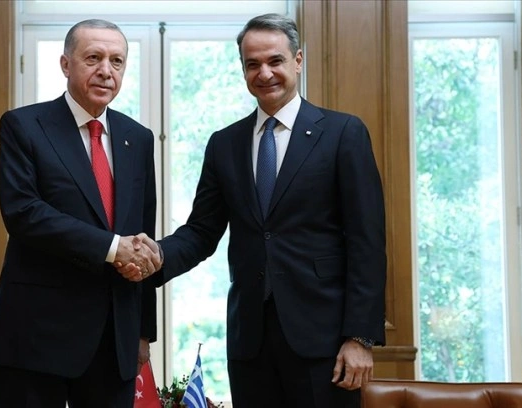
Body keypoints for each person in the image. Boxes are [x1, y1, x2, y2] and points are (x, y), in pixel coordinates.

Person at [119, 12, 386, 408]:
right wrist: (155, 255)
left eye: (275, 61)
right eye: (252, 64)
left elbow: (367, 241)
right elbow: (201, 232)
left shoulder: (343, 133)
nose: (264, 73)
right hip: (250, 341)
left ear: (298, 60)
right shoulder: (224, 144)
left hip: (326, 341)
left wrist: (360, 337)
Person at [0, 19, 162, 408]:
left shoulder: (138, 138)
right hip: (36, 336)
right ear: (66, 64)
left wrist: (142, 331)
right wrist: (112, 247)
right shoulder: (24, 126)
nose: (106, 71)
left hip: (114, 340)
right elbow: (23, 212)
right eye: (93, 58)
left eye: (117, 61)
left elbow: (142, 235)